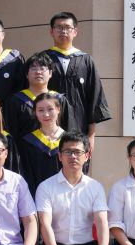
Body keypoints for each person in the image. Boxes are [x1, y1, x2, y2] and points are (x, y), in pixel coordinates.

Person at [40, 12, 111, 155]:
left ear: (75, 32)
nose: (63, 31)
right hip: (48, 132)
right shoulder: (42, 59)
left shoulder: (86, 60)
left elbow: (94, 99)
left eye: (67, 27)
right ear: (51, 31)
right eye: (59, 27)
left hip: (79, 128)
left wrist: (91, 136)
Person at [4, 53, 75, 137]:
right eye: (33, 69)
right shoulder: (15, 101)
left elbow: (70, 130)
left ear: (50, 73)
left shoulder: (60, 100)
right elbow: (10, 133)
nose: (38, 72)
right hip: (24, 146)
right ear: (26, 74)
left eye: (42, 68)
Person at [17, 93, 65, 198]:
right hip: (37, 197)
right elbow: (26, 174)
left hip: (65, 196)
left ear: (58, 109)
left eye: (50, 109)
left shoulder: (68, 140)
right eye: (41, 110)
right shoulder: (28, 142)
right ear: (35, 113)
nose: (46, 114)